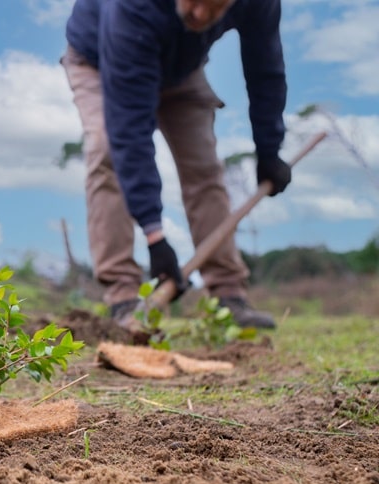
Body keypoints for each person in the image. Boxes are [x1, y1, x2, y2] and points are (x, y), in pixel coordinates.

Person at [61, 0, 291, 328]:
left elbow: (265, 66)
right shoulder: (133, 8)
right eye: (194, 1)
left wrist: (269, 149)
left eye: (214, 9)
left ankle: (228, 297)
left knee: (204, 165)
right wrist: (155, 235)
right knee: (107, 150)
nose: (200, 15)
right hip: (101, 58)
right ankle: (123, 298)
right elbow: (130, 129)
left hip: (181, 66)